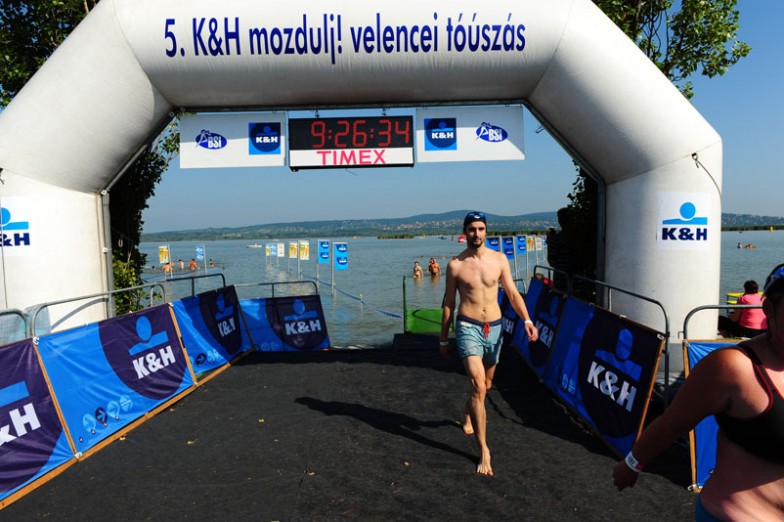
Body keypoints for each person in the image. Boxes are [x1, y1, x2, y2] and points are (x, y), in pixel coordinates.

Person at [613, 263, 784, 521]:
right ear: (769, 308)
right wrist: (631, 464)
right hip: (738, 514)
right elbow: (672, 425)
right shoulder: (735, 368)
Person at [440, 211, 538, 476]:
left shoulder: (499, 259)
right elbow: (449, 303)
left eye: (481, 229)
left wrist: (527, 320)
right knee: (478, 385)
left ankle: (468, 410)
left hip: (494, 328)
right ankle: (484, 449)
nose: (477, 233)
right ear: (465, 232)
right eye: (472, 229)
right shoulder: (455, 265)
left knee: (487, 385)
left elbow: (513, 294)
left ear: (486, 231)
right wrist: (443, 338)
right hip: (468, 327)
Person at [546, 208, 573, 292]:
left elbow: (551, 262)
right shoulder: (578, 237)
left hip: (561, 280)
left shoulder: (557, 239)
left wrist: (549, 244)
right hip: (576, 279)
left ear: (560, 220)